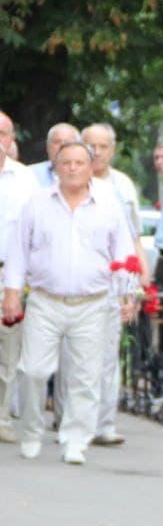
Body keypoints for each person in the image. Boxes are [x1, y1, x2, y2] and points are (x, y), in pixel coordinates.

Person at [2, 141, 133, 464]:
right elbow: (19, 251)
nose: (72, 168)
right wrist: (12, 293)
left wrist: (128, 293)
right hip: (46, 301)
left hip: (93, 302)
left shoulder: (108, 205)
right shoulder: (37, 203)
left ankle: (76, 439)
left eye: (79, 163)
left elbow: (123, 252)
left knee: (85, 375)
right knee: (32, 370)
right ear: (56, 168)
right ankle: (31, 432)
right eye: (66, 163)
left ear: (91, 167)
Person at [82, 123, 149, 446]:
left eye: (103, 146)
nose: (96, 152)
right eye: (90, 145)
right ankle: (74, 419)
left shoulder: (122, 186)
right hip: (77, 283)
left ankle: (103, 423)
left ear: (112, 149)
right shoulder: (68, 181)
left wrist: (136, 285)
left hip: (112, 283)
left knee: (108, 356)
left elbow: (132, 238)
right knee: (77, 358)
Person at [0, 110, 38, 443]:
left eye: (3, 134)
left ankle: (1, 417)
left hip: (8, 276)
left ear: (12, 140)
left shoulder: (26, 180)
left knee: (8, 351)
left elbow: (35, 232)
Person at [30, 123, 79, 188]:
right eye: (57, 142)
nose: (62, 146)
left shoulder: (86, 173)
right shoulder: (30, 173)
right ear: (48, 147)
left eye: (67, 142)